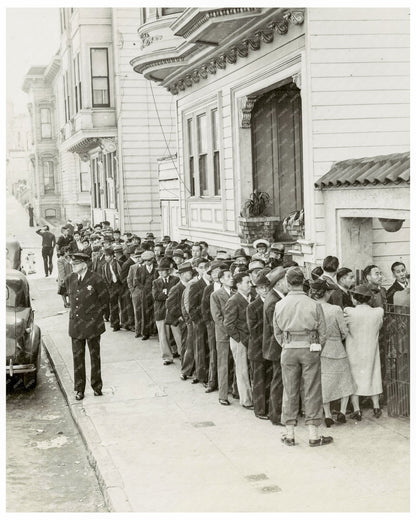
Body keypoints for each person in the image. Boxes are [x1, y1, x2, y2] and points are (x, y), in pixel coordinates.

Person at [273, 267, 330, 447]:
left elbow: (277, 332)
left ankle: (289, 434)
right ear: (303, 282)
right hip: (310, 348)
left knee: (289, 390)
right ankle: (313, 434)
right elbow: (323, 333)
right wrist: (316, 348)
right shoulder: (314, 304)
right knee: (312, 390)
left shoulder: (279, 304)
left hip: (289, 349)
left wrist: (287, 344)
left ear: (288, 283)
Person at [309, 279, 355, 426]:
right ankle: (342, 411)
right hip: (336, 349)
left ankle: (327, 414)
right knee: (344, 380)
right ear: (326, 293)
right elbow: (344, 331)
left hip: (319, 350)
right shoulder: (335, 309)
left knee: (324, 383)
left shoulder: (310, 308)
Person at [65, 252, 109, 400]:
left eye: (76, 264)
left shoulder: (96, 279)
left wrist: (95, 317)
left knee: (94, 357)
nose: (73, 266)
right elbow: (63, 292)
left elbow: (105, 300)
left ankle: (97, 386)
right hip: (76, 325)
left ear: (84, 265)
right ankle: (79, 389)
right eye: (72, 264)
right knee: (78, 359)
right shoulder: (70, 278)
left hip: (92, 326)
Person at [344, 285, 384, 420]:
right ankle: (376, 406)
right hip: (371, 348)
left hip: (353, 349)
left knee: (354, 377)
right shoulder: (378, 312)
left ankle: (357, 409)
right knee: (374, 374)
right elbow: (379, 326)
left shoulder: (348, 311)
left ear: (355, 298)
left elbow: (345, 329)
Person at [224, 272, 253, 409]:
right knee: (242, 370)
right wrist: (239, 339)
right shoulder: (234, 300)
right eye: (247, 282)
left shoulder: (249, 298)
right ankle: (246, 400)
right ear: (238, 285)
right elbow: (228, 324)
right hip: (239, 340)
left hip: (247, 339)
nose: (250, 285)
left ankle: (247, 396)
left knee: (246, 369)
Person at [262, 266, 287, 426]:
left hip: (276, 346)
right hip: (276, 347)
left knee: (279, 380)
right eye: (285, 281)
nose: (288, 284)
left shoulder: (276, 297)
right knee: (278, 381)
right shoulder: (274, 301)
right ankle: (276, 415)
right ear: (278, 283)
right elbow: (276, 328)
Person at [246, 270, 272, 420]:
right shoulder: (253, 306)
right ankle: (260, 409)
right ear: (256, 289)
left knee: (268, 378)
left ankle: (268, 407)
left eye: (267, 287)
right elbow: (253, 329)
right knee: (258, 380)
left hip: (268, 348)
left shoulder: (272, 302)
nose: (265, 290)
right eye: (262, 288)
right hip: (257, 348)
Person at [210, 269, 234, 405]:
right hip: (223, 334)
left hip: (236, 334)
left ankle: (234, 390)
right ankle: (223, 395)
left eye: (232, 276)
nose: (232, 278)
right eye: (228, 277)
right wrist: (229, 330)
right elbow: (217, 317)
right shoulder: (216, 295)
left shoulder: (236, 293)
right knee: (223, 364)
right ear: (221, 279)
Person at [187, 258, 211, 385]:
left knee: (210, 349)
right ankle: (202, 375)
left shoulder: (214, 286)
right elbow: (191, 307)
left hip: (211, 323)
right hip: (201, 323)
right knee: (201, 349)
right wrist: (199, 322)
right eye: (202, 268)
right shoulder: (196, 285)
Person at [152, 257, 179, 365]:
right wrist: (168, 294)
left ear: (169, 270)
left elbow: (176, 294)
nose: (162, 272)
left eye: (164, 270)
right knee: (163, 335)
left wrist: (165, 293)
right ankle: (167, 357)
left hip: (173, 311)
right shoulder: (156, 282)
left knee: (178, 334)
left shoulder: (175, 280)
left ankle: (182, 354)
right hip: (161, 312)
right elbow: (156, 296)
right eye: (160, 270)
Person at [165, 262, 193, 362]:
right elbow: (169, 305)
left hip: (186, 320)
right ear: (181, 275)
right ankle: (183, 362)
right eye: (188, 272)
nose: (190, 274)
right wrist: (179, 316)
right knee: (181, 343)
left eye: (190, 272)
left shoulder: (191, 286)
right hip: (177, 321)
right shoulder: (176, 288)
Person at [135, 250, 158, 340]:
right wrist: (143, 288)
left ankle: (154, 330)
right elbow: (136, 280)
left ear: (153, 259)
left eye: (149, 260)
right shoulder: (140, 269)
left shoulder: (157, 268)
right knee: (145, 313)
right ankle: (145, 332)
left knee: (156, 312)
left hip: (155, 293)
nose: (147, 262)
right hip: (145, 294)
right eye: (146, 260)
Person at [102, 247, 122, 331]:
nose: (105, 258)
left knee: (122, 305)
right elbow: (104, 278)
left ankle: (124, 322)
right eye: (105, 256)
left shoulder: (118, 263)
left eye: (107, 256)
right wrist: (108, 288)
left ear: (111, 256)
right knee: (113, 306)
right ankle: (115, 324)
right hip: (111, 288)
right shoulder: (104, 266)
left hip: (119, 286)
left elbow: (122, 274)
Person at [126, 246, 144, 337]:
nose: (138, 259)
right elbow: (129, 279)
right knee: (136, 312)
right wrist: (132, 290)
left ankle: (145, 330)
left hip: (145, 291)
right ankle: (138, 331)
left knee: (145, 311)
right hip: (136, 291)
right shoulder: (132, 267)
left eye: (140, 257)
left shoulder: (146, 267)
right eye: (137, 257)